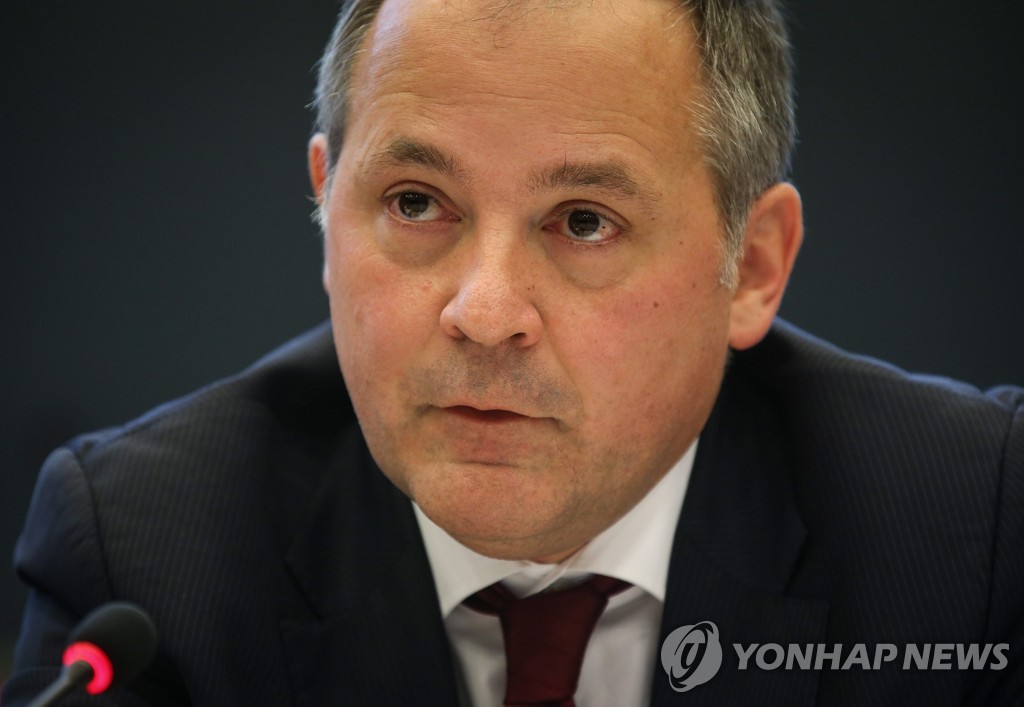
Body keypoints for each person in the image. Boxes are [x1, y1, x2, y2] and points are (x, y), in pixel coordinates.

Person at [3, 0, 1022, 705]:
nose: (484, 313)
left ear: (752, 265)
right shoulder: (145, 561)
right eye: (415, 203)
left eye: (583, 220)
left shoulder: (973, 534)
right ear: (325, 209)